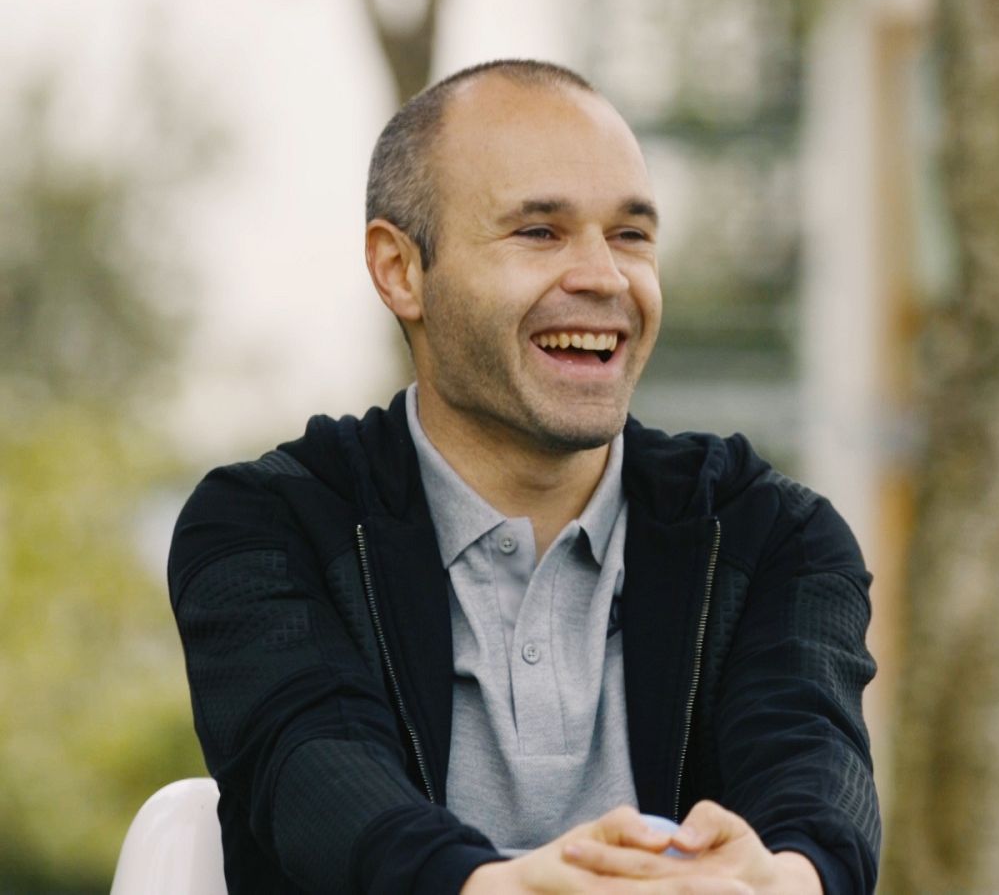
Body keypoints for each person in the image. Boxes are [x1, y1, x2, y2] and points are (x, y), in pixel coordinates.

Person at [166, 59, 879, 894]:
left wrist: (778, 883)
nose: (604, 278)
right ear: (401, 270)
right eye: (539, 232)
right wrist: (492, 888)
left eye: (631, 235)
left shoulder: (771, 534)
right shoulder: (266, 526)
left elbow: (813, 776)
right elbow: (313, 768)